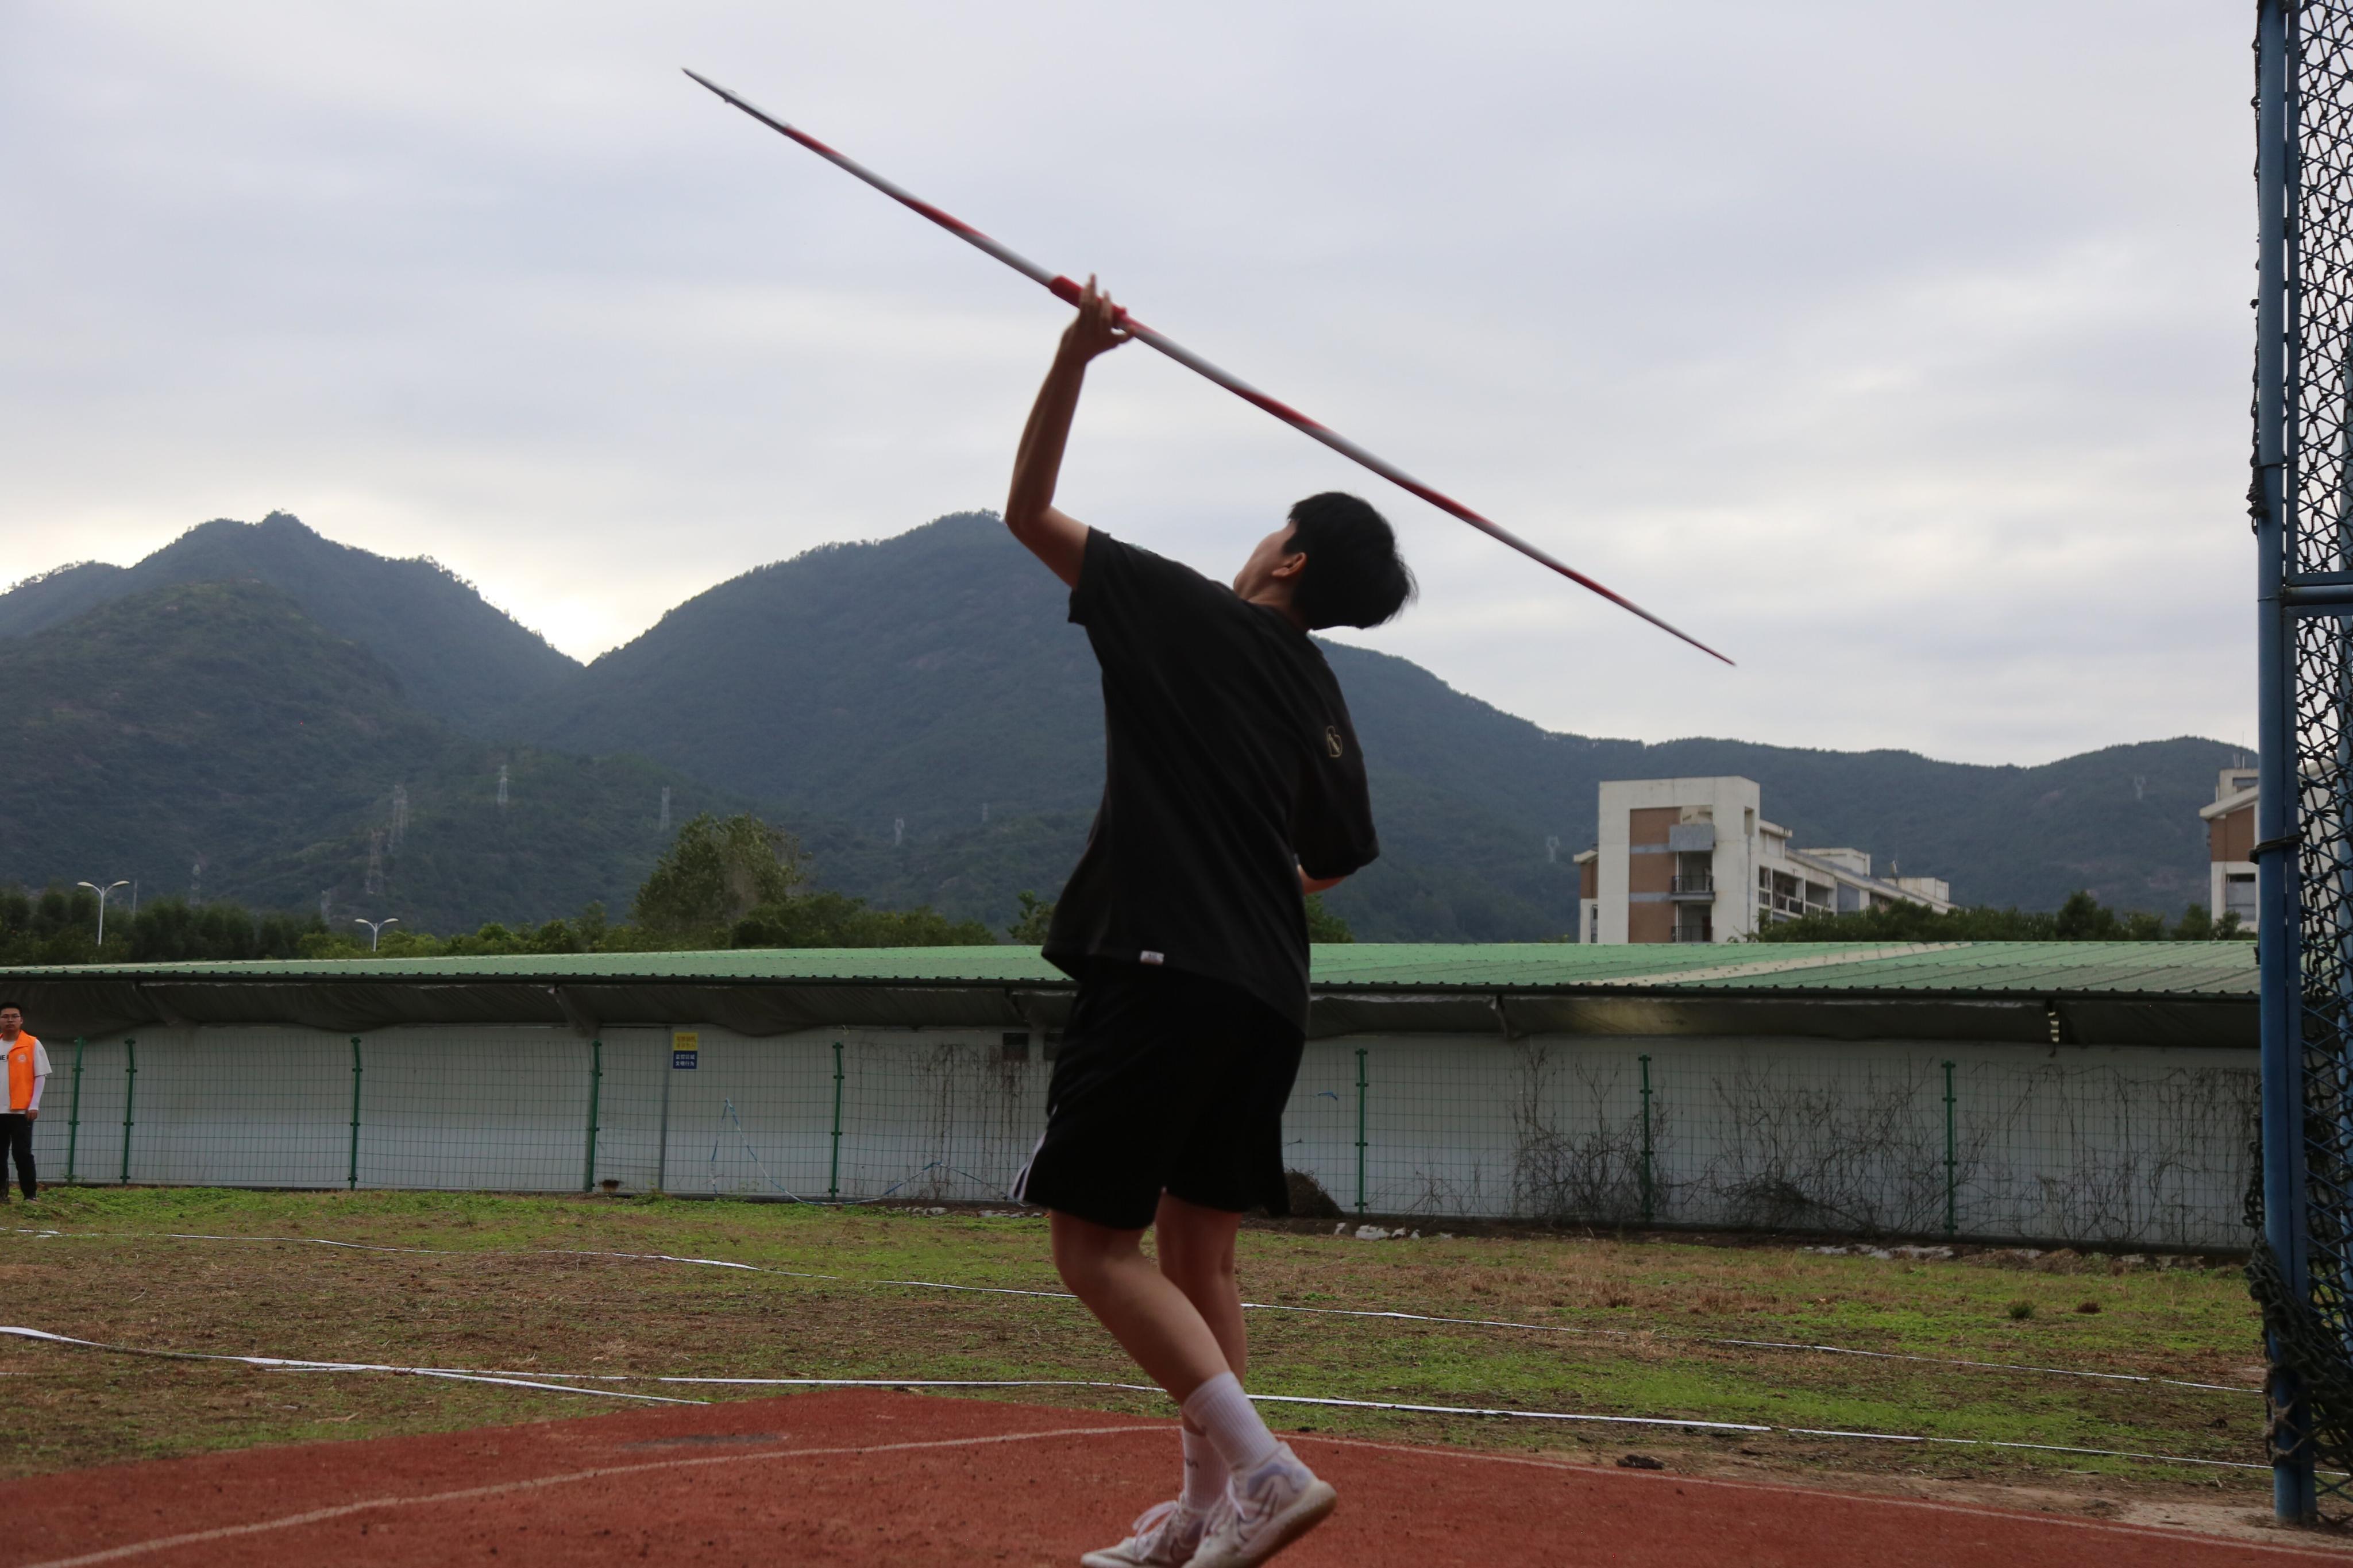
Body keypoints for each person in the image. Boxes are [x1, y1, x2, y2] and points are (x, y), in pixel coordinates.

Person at [1005, 279, 1413, 1568]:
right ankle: (1198, 1516)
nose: (1259, 542)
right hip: (1265, 994)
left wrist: (1075, 355)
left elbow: (1025, 513)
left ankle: (1262, 1471)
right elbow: (1331, 862)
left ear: (1288, 560)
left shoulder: (1191, 614)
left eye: (1273, 529)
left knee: (1092, 1246)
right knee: (1201, 1259)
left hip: (1164, 968)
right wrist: (1245, 877)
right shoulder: (1321, 696)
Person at [0, 1005, 50, 1203]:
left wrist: (34, 1104)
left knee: (22, 1153)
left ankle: (30, 1195)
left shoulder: (32, 1044)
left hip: (21, 1111)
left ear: (21, 1020)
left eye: (14, 1016)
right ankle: (2, 1196)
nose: (10, 1020)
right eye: (5, 1017)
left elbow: (40, 1075)